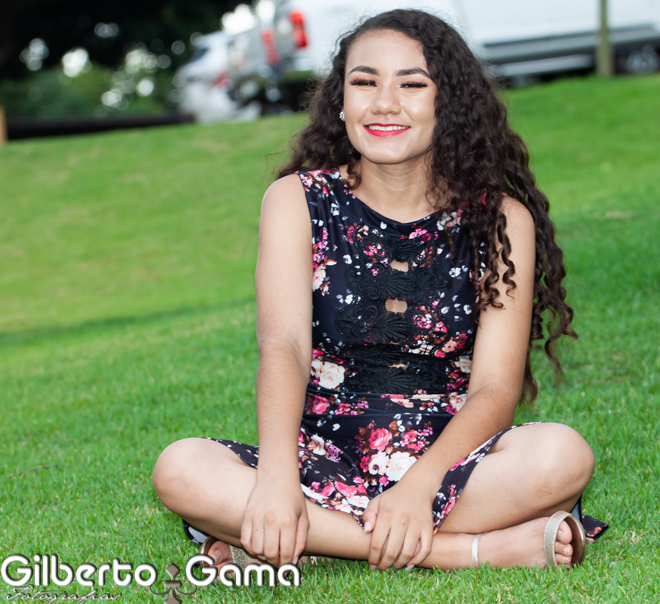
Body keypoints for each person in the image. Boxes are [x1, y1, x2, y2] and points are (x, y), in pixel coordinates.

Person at [152, 9, 607, 573]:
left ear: (448, 103)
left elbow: (494, 388)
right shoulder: (297, 201)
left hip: (453, 462)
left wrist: (419, 488)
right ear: (341, 101)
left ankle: (301, 535)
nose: (384, 104)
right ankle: (473, 551)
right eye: (364, 82)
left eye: (412, 85)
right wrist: (276, 480)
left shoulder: (500, 220)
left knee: (561, 456)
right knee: (181, 468)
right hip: (323, 456)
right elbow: (284, 348)